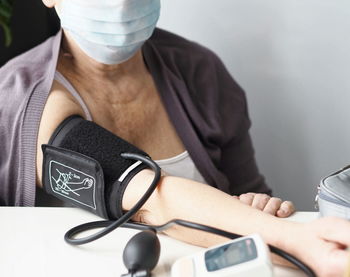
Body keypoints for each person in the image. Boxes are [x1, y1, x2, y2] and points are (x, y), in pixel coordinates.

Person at [0, 0, 349, 276]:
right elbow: (139, 192)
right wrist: (298, 241)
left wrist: (259, 209)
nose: (121, 3)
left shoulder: (200, 71)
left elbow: (252, 193)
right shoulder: (21, 96)